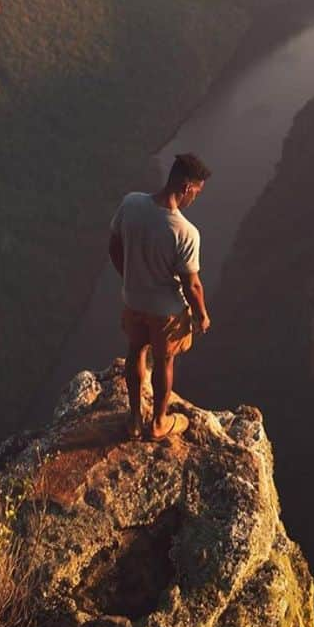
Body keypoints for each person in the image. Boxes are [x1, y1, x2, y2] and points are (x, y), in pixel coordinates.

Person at [108, 152, 212, 441]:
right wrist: (202, 315)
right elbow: (192, 286)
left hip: (133, 300)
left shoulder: (131, 203)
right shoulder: (185, 232)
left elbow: (114, 245)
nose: (195, 199)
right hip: (165, 311)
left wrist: (129, 277)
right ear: (187, 188)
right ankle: (157, 423)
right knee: (165, 361)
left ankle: (133, 419)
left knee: (135, 351)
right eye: (197, 193)